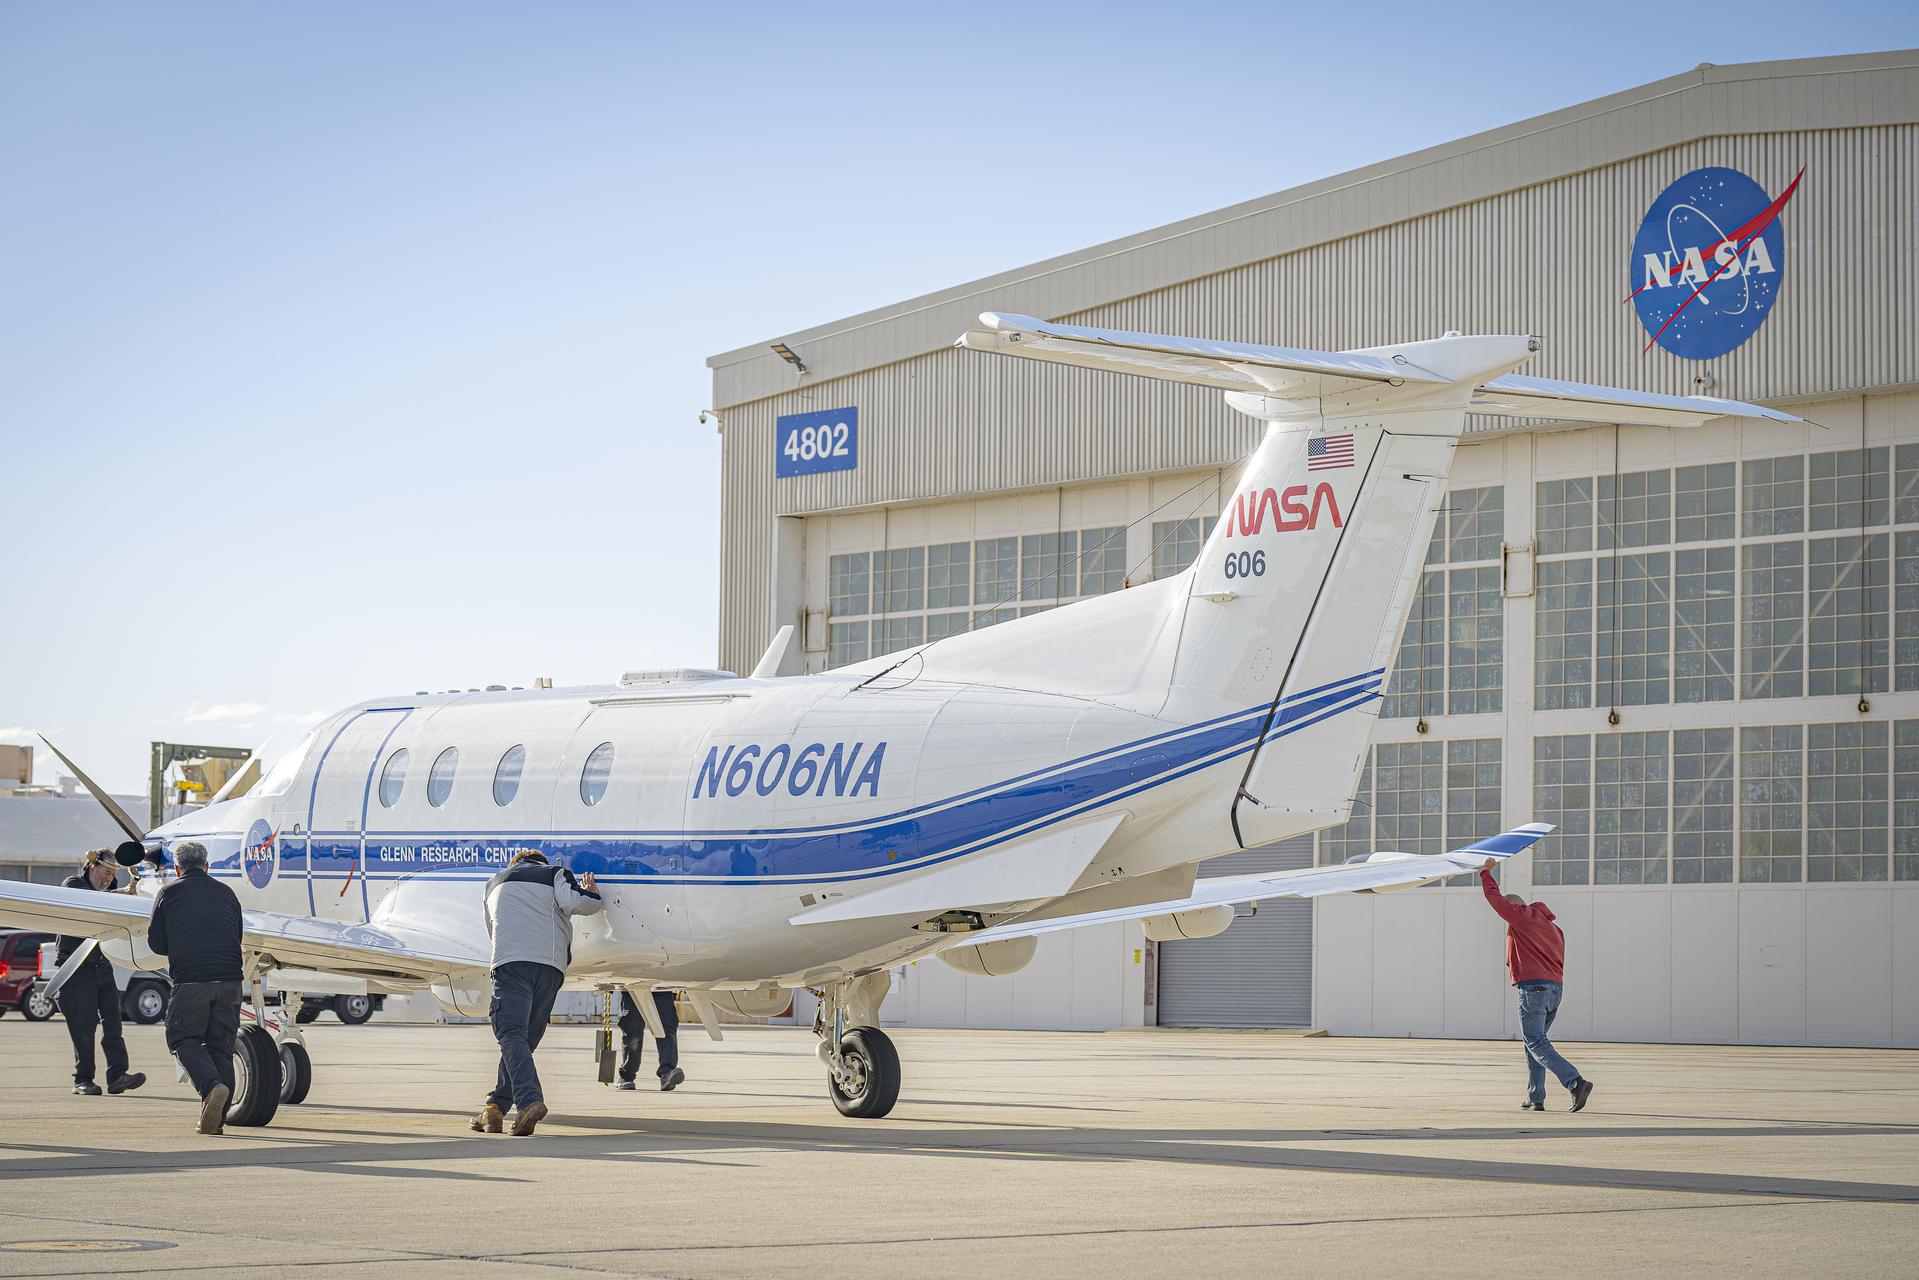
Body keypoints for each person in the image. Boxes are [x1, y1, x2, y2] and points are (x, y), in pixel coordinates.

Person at [472, 850, 603, 1136]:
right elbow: (577, 903)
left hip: (511, 963)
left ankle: (529, 1101)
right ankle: (495, 1108)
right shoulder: (555, 873)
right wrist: (592, 894)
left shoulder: (495, 882)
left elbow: (491, 929)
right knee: (524, 1039)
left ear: (515, 863)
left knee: (510, 1034)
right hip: (550, 968)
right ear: (540, 861)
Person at [1480, 860, 1593, 1113]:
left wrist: (1485, 871)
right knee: (1534, 1042)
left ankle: (1575, 1082)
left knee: (1536, 1042)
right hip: (1554, 990)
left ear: (1515, 907)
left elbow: (1495, 899)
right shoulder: (1554, 929)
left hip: (1534, 990)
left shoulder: (1522, 917)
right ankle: (1535, 1096)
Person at [149, 840, 244, 1136]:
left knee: (182, 1039)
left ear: (178, 869)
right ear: (207, 866)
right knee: (221, 1048)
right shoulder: (227, 893)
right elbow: (237, 934)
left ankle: (211, 1087)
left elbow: (156, 943)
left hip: (192, 979)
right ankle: (215, 1120)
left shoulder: (169, 892)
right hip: (231, 980)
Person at [55, 850, 146, 1098]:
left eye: (113, 874)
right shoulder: (73, 884)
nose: (109, 879)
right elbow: (91, 901)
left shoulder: (109, 891)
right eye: (106, 872)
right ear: (91, 867)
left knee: (113, 1023)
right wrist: (123, 892)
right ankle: (83, 1079)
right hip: (76, 968)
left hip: (102, 966)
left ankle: (117, 1076)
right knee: (84, 1027)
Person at [616, 989, 685, 1092]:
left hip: (661, 986)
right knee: (633, 1032)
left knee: (666, 1029)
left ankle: (667, 1074)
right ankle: (626, 1076)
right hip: (632, 986)